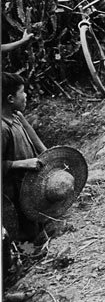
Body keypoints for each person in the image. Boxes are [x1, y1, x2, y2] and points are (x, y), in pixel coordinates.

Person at [2, 72, 47, 242]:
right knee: (26, 235)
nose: (26, 95)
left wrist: (53, 161)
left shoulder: (16, 117)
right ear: (10, 98)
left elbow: (37, 143)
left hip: (29, 188)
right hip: (13, 196)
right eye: (23, 92)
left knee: (38, 225)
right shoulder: (3, 129)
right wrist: (21, 163)